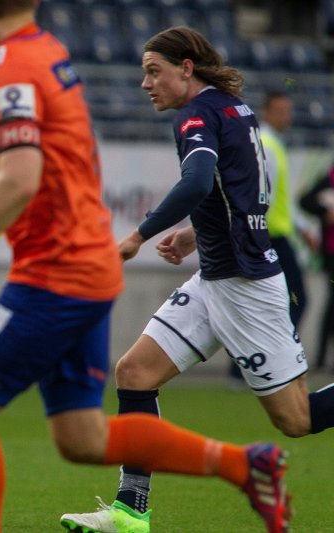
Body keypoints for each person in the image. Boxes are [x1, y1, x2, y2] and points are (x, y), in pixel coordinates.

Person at [0, 6, 290, 533]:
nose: (144, 83)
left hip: (56, 272)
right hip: (90, 266)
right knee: (83, 436)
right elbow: (42, 159)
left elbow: (21, 179)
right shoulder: (49, 53)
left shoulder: (11, 67)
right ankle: (241, 465)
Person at [60, 26, 334, 533]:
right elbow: (244, 187)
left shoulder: (197, 114)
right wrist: (192, 234)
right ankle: (129, 511)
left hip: (248, 288)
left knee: (295, 420)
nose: (146, 83)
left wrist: (138, 235)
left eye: (154, 71)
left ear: (186, 67)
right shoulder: (232, 106)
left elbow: (198, 181)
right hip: (217, 276)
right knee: (134, 373)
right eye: (144, 72)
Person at [227, 90, 316, 385]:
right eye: (279, 111)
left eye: (287, 111)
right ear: (267, 112)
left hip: (277, 234)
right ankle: (273, 362)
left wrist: (302, 228)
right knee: (295, 299)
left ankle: (254, 363)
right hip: (269, 238)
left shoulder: (275, 144)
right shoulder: (265, 145)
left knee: (267, 303)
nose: (285, 117)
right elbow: (260, 197)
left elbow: (281, 199)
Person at [300, 164, 334, 370]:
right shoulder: (330, 176)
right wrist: (325, 211)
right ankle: (322, 358)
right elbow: (305, 200)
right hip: (332, 251)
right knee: (332, 304)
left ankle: (322, 359)